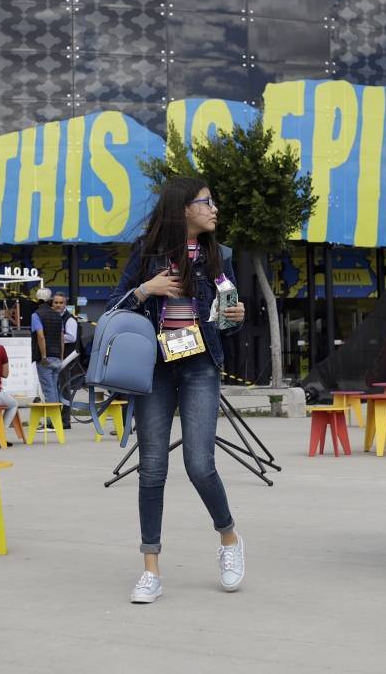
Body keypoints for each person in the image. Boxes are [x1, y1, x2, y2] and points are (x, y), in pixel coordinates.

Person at [106, 176, 247, 604]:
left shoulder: (219, 256)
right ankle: (150, 569)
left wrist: (235, 318)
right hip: (155, 369)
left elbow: (227, 320)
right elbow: (113, 308)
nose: (214, 208)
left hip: (200, 366)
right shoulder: (147, 254)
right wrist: (146, 289)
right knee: (151, 467)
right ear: (183, 208)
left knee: (200, 464)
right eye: (206, 201)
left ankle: (229, 538)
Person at [31, 291, 77, 427]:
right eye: (56, 302)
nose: (57, 305)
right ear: (50, 301)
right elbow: (61, 338)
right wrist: (61, 356)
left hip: (48, 358)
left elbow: (41, 337)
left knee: (50, 390)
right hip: (58, 357)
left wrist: (44, 356)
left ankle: (53, 421)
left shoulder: (37, 315)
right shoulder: (58, 317)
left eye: (60, 303)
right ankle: (58, 419)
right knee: (55, 389)